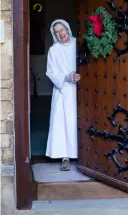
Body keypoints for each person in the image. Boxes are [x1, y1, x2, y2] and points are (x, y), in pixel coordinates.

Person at [45, 19, 81, 171]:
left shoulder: (78, 44)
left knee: (77, 121)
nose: (61, 34)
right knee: (62, 123)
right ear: (54, 35)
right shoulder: (53, 50)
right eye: (57, 32)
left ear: (68, 28)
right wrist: (66, 77)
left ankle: (82, 156)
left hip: (79, 90)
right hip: (62, 90)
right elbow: (50, 72)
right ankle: (65, 157)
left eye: (62, 30)